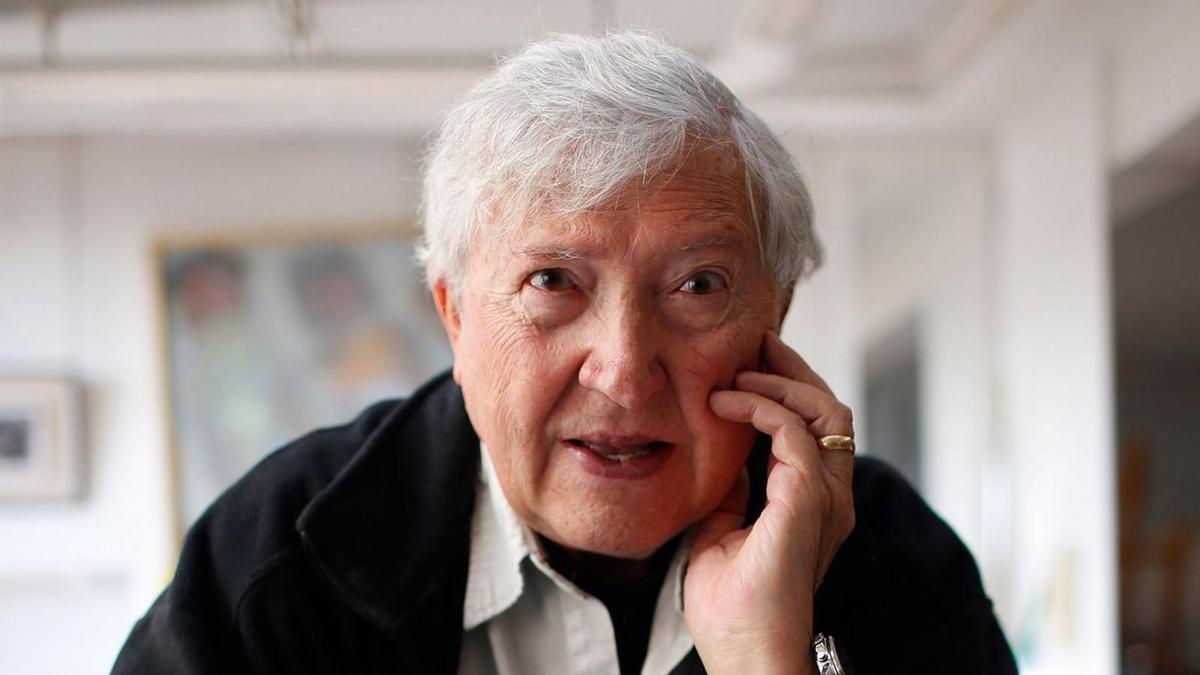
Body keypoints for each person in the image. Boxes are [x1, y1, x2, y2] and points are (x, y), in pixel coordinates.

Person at [113, 31, 1017, 674]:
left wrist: (769, 660)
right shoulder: (281, 555)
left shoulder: (895, 559)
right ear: (455, 315)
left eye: (697, 285)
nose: (623, 369)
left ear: (773, 321)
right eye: (553, 281)